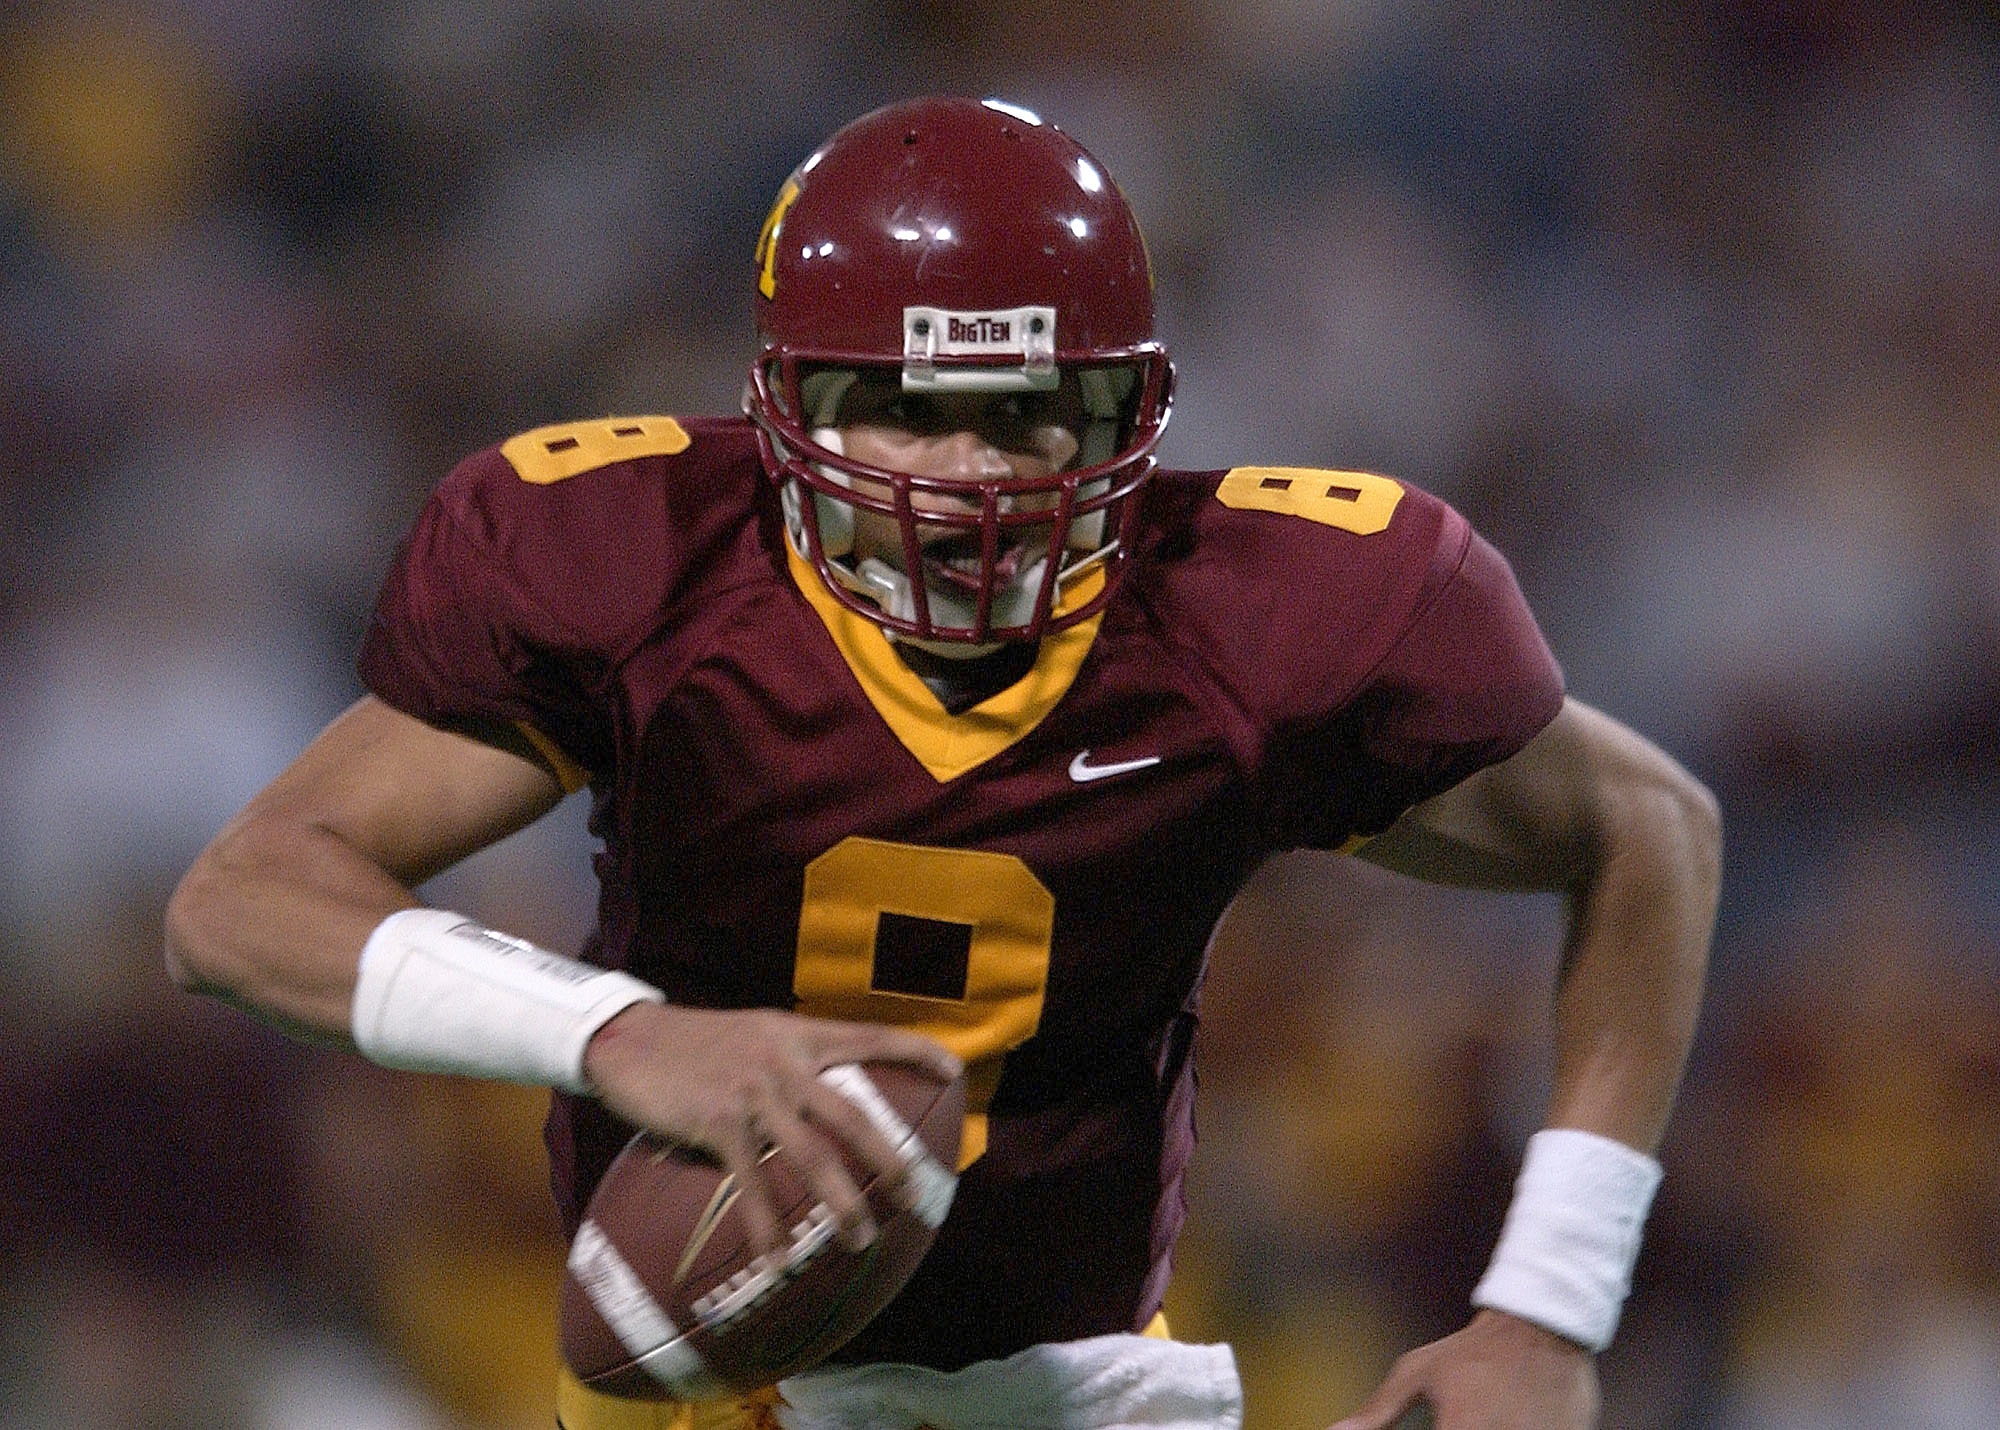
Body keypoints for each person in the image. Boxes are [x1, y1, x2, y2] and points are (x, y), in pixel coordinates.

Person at [166, 96, 1720, 1430]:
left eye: (1031, 411)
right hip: (701, 1393)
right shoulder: (634, 560)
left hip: (1059, 1383)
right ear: (784, 408)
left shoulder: (1275, 613)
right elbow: (237, 904)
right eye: (906, 412)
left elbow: (1648, 828)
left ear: (1133, 409)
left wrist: (1549, 1303)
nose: (971, 476)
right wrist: (620, 1036)